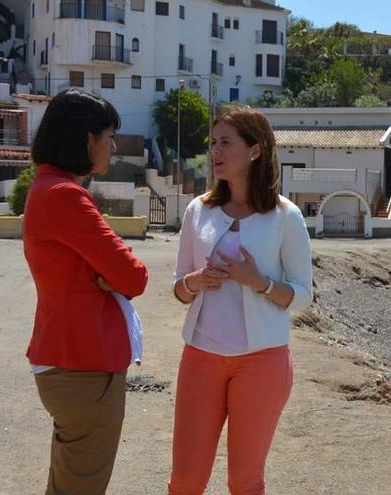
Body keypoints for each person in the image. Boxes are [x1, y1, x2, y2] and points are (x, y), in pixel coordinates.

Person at [168, 107, 312, 494]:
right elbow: (178, 288)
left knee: (246, 482)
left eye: (225, 142)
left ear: (255, 150)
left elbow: (303, 296)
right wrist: (195, 282)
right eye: (213, 142)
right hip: (200, 357)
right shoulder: (198, 210)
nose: (215, 150)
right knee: (184, 481)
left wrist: (260, 283)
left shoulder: (286, 216)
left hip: (262, 363)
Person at [23, 88, 149, 494]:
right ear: (85, 139)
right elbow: (134, 277)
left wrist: (110, 273)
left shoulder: (49, 189)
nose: (112, 146)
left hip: (69, 363)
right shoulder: (66, 196)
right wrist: (113, 276)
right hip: (83, 367)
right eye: (108, 136)